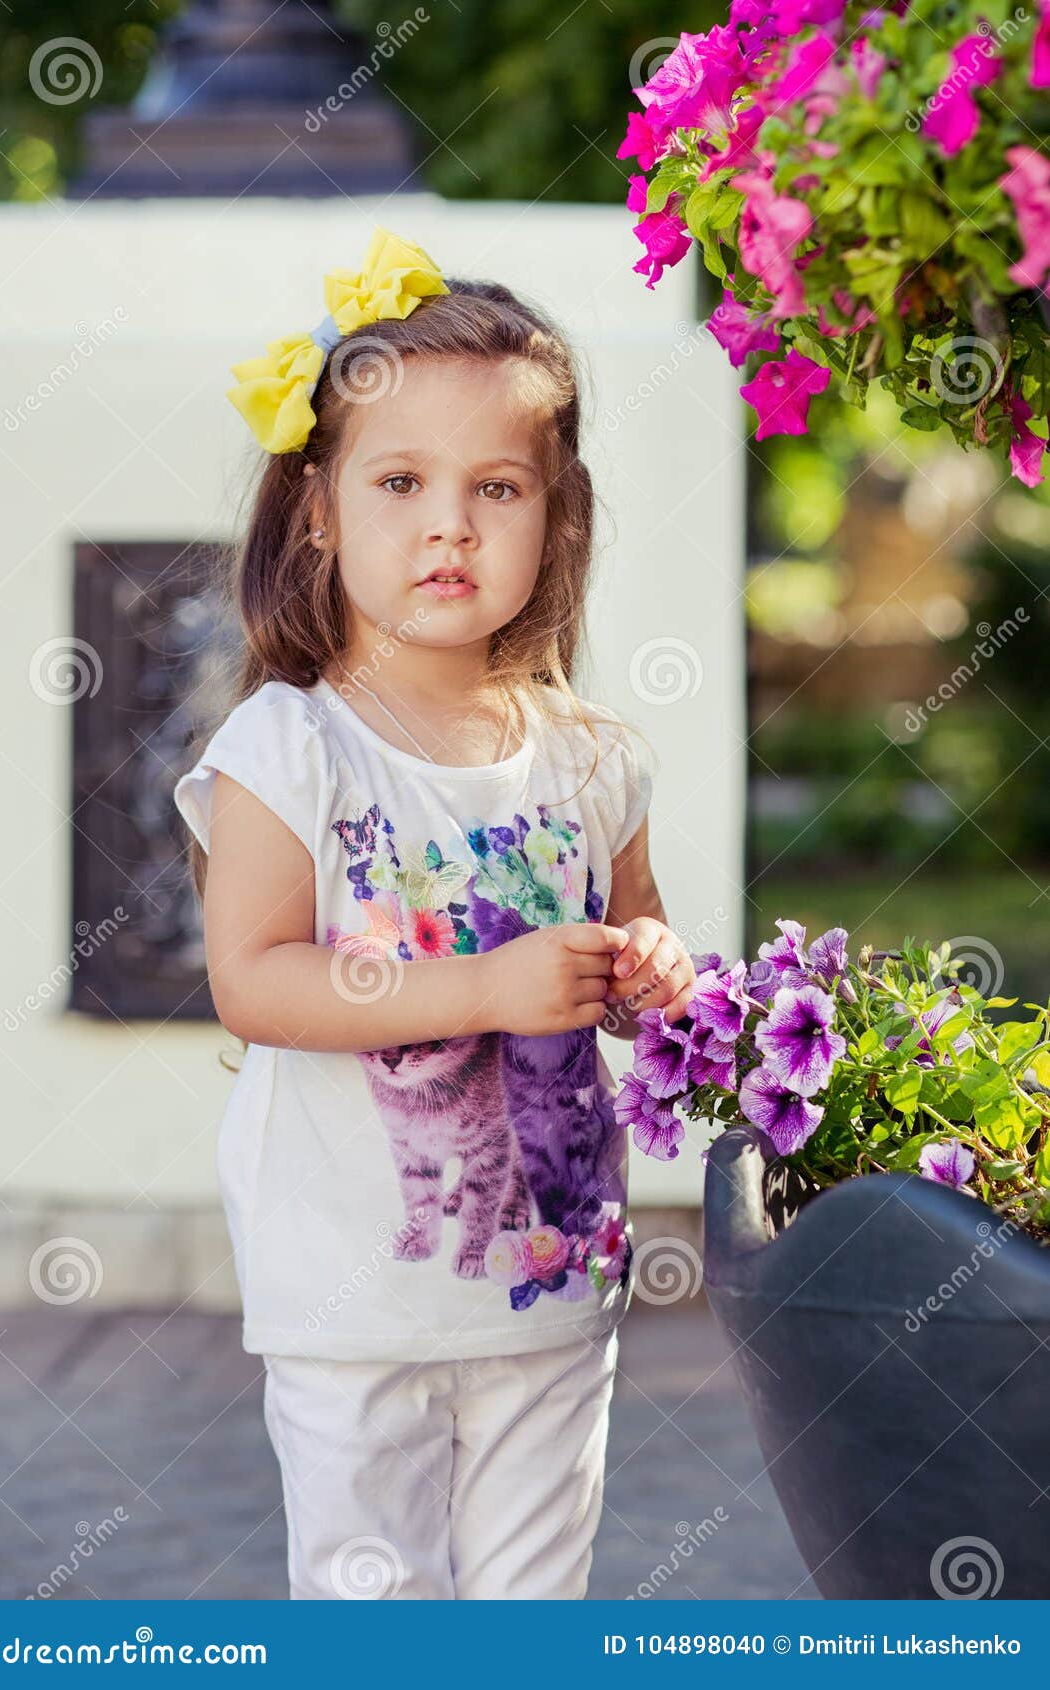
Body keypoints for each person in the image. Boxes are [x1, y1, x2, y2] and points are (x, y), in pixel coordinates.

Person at [173, 226, 696, 1600]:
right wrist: (487, 989)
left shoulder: (593, 758)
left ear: (555, 515)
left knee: (536, 1606)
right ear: (323, 510)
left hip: (550, 1281)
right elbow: (256, 980)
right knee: (375, 1611)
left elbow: (650, 963)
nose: (450, 523)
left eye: (498, 485)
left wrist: (653, 971)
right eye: (401, 480)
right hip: (355, 1301)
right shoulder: (289, 750)